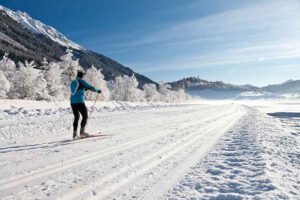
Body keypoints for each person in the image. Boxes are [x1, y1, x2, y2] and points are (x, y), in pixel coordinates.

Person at [70, 70, 101, 139]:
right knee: (85, 116)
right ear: (82, 76)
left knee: (76, 117)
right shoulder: (82, 81)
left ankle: (74, 134)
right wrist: (97, 90)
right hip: (79, 101)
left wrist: (84, 89)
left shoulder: (73, 82)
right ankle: (82, 133)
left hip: (72, 102)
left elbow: (77, 90)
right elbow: (90, 87)